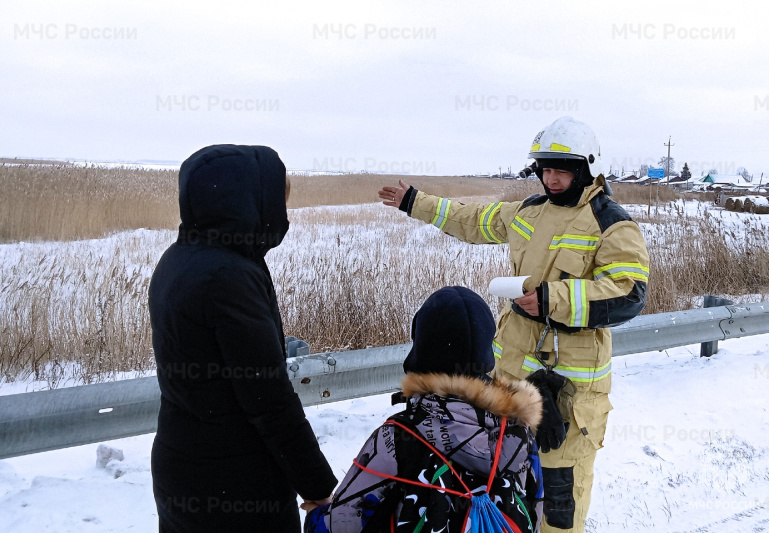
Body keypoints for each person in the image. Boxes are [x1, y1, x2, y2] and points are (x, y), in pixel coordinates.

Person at [378, 117, 649, 532]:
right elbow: (472, 220)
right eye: (545, 168)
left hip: (569, 396)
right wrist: (414, 201)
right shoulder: (529, 212)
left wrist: (550, 299)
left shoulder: (612, 223)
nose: (551, 178)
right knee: (508, 488)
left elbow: (629, 293)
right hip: (510, 383)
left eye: (562, 169)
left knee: (559, 504)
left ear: (586, 169)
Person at [149, 144, 337, 532]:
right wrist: (318, 485)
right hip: (233, 485)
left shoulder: (178, 258)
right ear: (250, 202)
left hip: (181, 465)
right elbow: (267, 398)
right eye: (277, 199)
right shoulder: (229, 277)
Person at [304, 286, 544, 533]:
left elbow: (342, 524)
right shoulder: (517, 430)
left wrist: (315, 516)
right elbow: (534, 514)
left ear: (422, 350)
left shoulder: (397, 436)